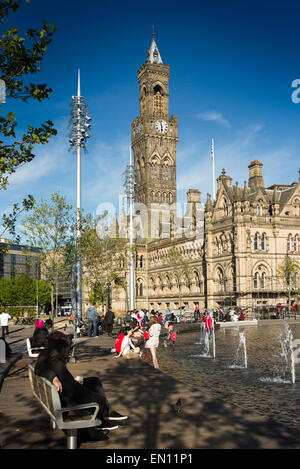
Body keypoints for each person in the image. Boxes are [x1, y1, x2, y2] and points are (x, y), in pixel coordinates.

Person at [34, 331, 127, 436]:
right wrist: (55, 378)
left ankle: (106, 413)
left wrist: (59, 378)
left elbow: (42, 368)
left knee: (94, 381)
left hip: (68, 390)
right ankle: (102, 417)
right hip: (69, 400)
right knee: (100, 400)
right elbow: (39, 368)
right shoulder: (53, 359)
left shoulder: (48, 355)